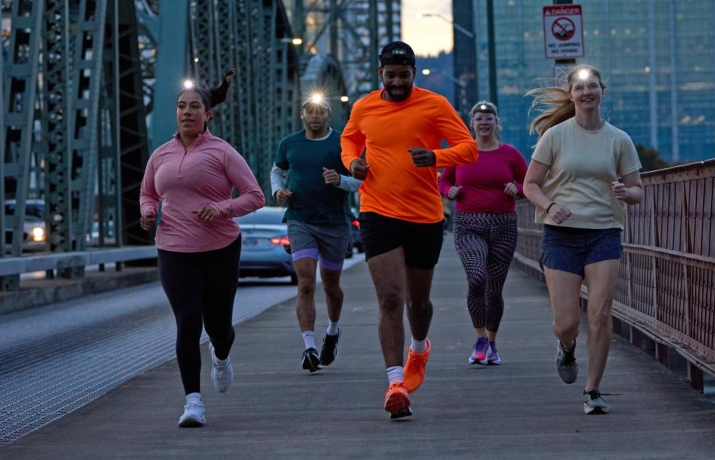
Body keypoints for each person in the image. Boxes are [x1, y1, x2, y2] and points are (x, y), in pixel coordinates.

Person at [341, 41, 478, 419]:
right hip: (377, 211)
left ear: (413, 74)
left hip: (424, 215)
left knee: (418, 303)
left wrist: (436, 157)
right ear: (380, 75)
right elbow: (349, 139)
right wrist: (353, 162)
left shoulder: (434, 105)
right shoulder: (364, 106)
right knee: (389, 298)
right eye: (391, 75)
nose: (398, 81)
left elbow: (468, 149)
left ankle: (419, 349)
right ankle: (395, 382)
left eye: (404, 75)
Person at [139, 71, 265, 428]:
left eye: (195, 106)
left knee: (219, 326)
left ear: (207, 114)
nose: (187, 112)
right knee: (188, 321)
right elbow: (148, 193)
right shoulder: (160, 155)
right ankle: (193, 402)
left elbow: (255, 196)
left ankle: (221, 357)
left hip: (219, 249)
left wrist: (222, 208)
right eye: (181, 106)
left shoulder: (222, 151)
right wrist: (148, 212)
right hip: (173, 248)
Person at [520, 65, 644, 415]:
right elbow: (530, 184)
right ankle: (567, 346)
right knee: (566, 323)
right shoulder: (556, 136)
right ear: (571, 95)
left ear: (602, 91)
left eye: (593, 86)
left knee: (601, 314)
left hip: (604, 233)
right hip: (561, 236)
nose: (587, 92)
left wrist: (625, 191)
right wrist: (550, 204)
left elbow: (638, 191)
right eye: (580, 87)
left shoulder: (619, 140)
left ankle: (592, 390)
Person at [270, 94, 362, 372]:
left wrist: (340, 180)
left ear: (328, 116)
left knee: (331, 284)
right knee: (306, 283)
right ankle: (309, 347)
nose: (314, 117)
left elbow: (360, 181)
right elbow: (277, 171)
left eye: (320, 112)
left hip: (334, 223)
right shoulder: (289, 143)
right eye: (309, 112)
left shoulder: (341, 144)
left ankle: (332, 331)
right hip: (300, 220)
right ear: (302, 114)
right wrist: (278, 191)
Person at [438, 100, 527, 366]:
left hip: (503, 225)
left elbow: (529, 182)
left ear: (496, 123)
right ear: (472, 124)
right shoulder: (462, 152)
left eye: (489, 119)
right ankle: (479, 339)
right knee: (477, 278)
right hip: (468, 224)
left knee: (494, 289)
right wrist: (448, 192)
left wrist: (517, 188)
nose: (484, 123)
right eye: (479, 119)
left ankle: (492, 342)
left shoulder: (510, 154)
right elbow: (444, 179)